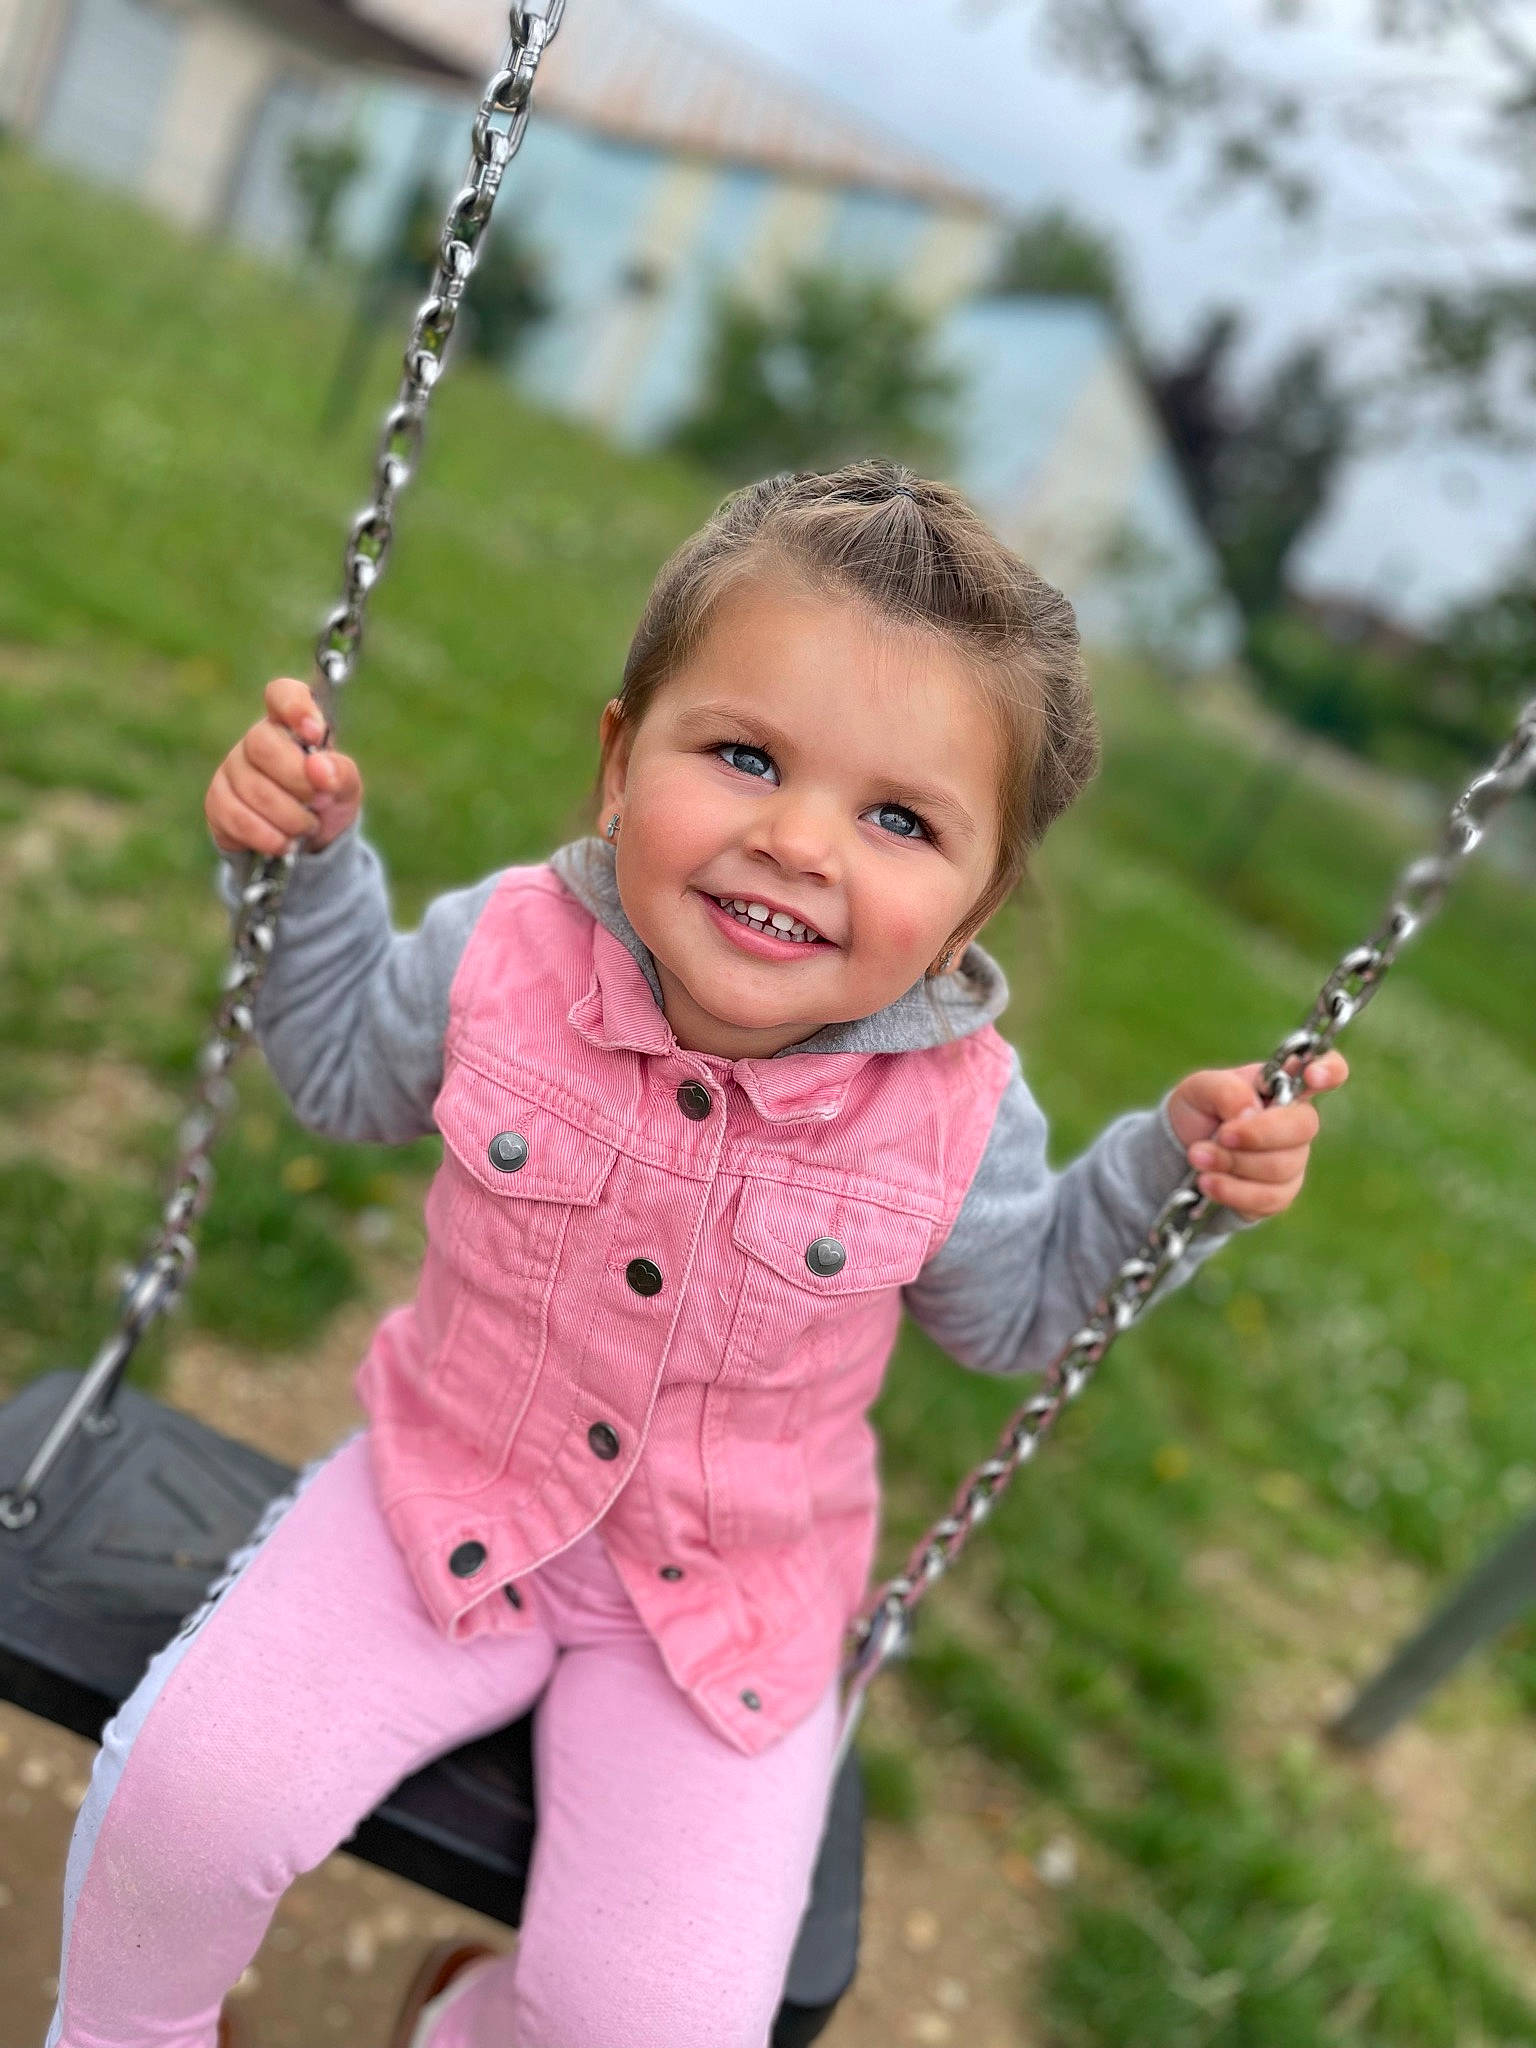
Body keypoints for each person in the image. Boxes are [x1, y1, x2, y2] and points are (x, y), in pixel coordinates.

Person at [45, 461, 1346, 2048]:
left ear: (975, 901)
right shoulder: (508, 951)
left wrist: (1172, 1179)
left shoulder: (955, 1109)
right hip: (443, 1491)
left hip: (724, 1609)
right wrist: (298, 875)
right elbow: (334, 1068)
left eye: (897, 818)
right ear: (617, 762)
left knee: (652, 2022)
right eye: (743, 754)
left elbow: (1013, 1309)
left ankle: (469, 2024)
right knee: (183, 1789)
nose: (798, 841)